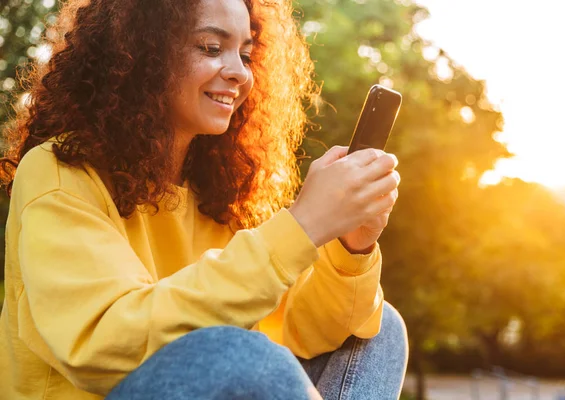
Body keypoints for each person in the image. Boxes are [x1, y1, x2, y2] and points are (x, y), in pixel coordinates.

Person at [0, 0, 408, 398]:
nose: (238, 73)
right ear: (143, 53)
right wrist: (303, 226)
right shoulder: (60, 171)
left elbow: (299, 327)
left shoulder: (221, 191)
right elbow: (101, 345)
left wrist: (354, 243)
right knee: (239, 353)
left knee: (377, 328)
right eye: (212, 48)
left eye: (245, 55)